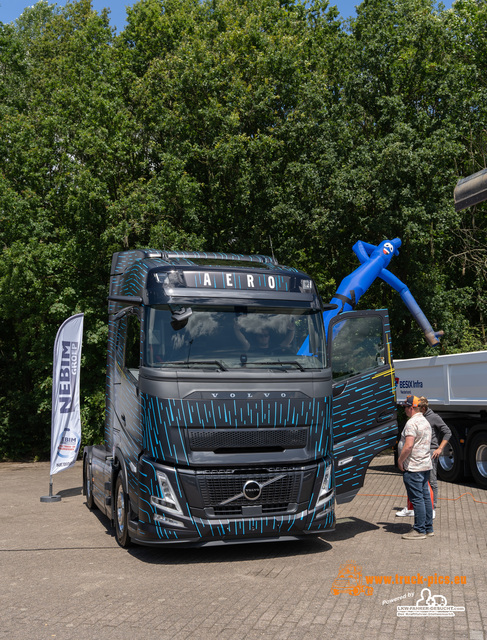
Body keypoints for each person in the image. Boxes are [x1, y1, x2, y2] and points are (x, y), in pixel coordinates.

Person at [396, 396, 451, 518]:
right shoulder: (417, 419)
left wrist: (440, 448)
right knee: (414, 483)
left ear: (423, 408)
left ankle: (432, 508)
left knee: (431, 481)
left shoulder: (433, 418)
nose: (417, 410)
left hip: (429, 453)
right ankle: (412, 508)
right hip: (417, 454)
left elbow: (447, 432)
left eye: (419, 408)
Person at [397, 395, 434, 540]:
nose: (404, 410)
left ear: (411, 408)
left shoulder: (411, 423)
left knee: (417, 499)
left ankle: (419, 530)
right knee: (425, 497)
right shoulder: (425, 421)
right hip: (425, 466)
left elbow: (409, 445)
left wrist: (400, 461)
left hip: (413, 467)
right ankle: (428, 528)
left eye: (405, 407)